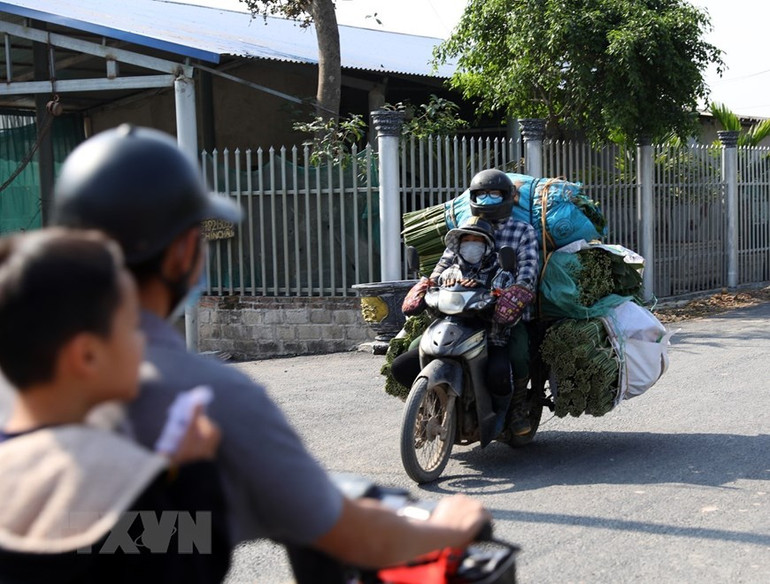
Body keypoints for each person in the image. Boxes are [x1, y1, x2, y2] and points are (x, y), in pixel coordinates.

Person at [50, 124, 491, 571]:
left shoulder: (24, 380)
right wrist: (447, 529)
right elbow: (345, 531)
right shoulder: (208, 399)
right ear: (183, 254)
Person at [0, 228, 230, 583]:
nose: (142, 340)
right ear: (87, 355)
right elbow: (191, 568)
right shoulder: (114, 480)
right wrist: (195, 473)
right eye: (131, 327)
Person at [398, 169, 539, 436]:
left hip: (500, 316)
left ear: (507, 197)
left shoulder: (522, 231)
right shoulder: (463, 228)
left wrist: (509, 296)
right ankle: (427, 403)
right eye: (481, 195)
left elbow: (527, 275)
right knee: (410, 354)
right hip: (458, 311)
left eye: (494, 194)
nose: (488, 200)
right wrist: (432, 284)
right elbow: (442, 266)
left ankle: (516, 408)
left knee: (516, 357)